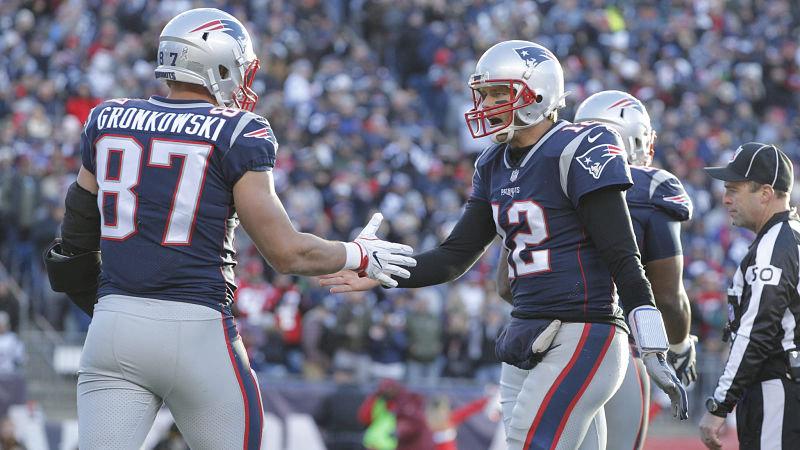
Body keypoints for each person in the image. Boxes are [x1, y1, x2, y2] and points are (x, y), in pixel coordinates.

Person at [42, 8, 415, 450]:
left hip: (112, 329)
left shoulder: (108, 118)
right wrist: (358, 254)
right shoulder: (238, 131)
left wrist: (114, 306)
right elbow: (286, 253)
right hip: (197, 328)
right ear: (215, 64)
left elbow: (75, 237)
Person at [321, 40, 688, 449]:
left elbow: (623, 256)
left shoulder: (579, 146)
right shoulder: (493, 163)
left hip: (583, 331)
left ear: (539, 93)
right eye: (485, 94)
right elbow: (454, 256)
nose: (488, 103)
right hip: (525, 331)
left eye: (500, 92)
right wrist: (382, 270)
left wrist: (654, 342)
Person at [495, 90, 697, 449]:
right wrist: (680, 346)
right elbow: (667, 295)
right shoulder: (652, 188)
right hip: (613, 348)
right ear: (634, 139)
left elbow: (506, 285)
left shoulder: (544, 173)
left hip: (540, 342)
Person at [699, 142, 800, 450]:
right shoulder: (790, 237)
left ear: (766, 193)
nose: (725, 198)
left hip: (777, 389)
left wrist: (720, 405)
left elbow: (756, 332)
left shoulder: (773, 248)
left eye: (734, 189)